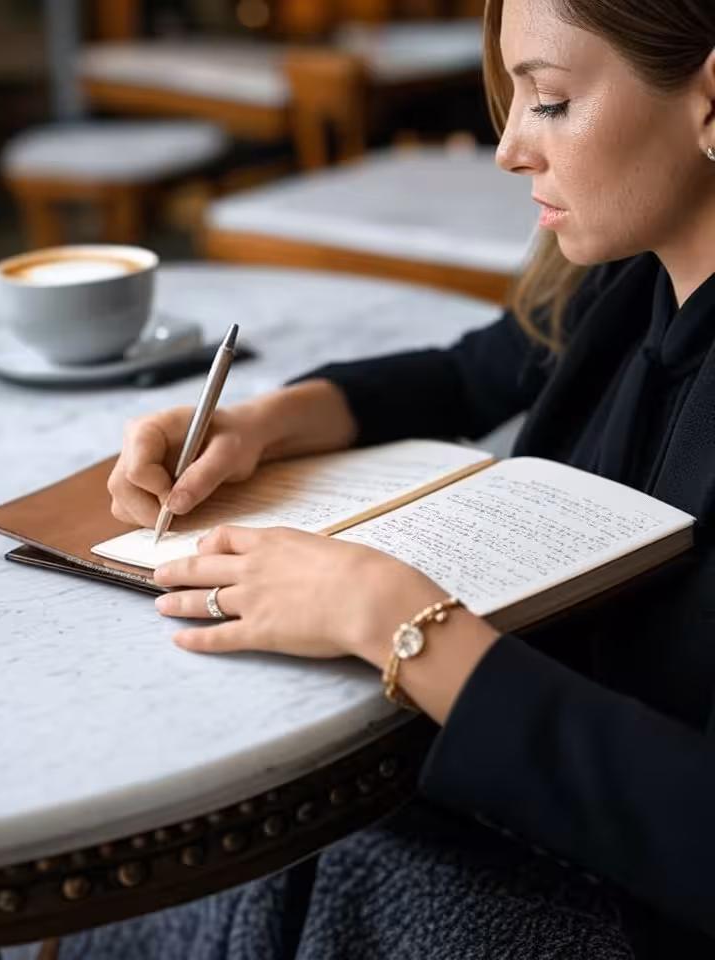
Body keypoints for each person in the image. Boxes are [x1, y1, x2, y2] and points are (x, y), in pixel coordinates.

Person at [59, 0, 715, 956]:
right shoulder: (633, 272)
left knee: (221, 852)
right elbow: (471, 370)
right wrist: (257, 425)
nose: (509, 151)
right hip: (519, 804)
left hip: (626, 906)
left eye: (552, 102)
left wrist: (392, 615)